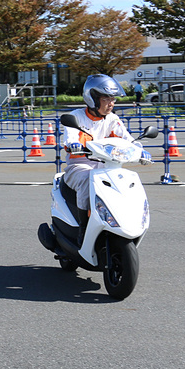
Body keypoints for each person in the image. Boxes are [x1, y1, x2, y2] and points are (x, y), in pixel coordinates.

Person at [62, 75, 152, 243]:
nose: (111, 103)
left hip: (108, 168)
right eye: (106, 99)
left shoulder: (112, 119)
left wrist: (141, 151)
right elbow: (70, 138)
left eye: (113, 99)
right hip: (79, 167)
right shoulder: (76, 117)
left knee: (127, 182)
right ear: (93, 99)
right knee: (87, 180)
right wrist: (73, 145)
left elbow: (127, 139)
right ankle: (84, 228)